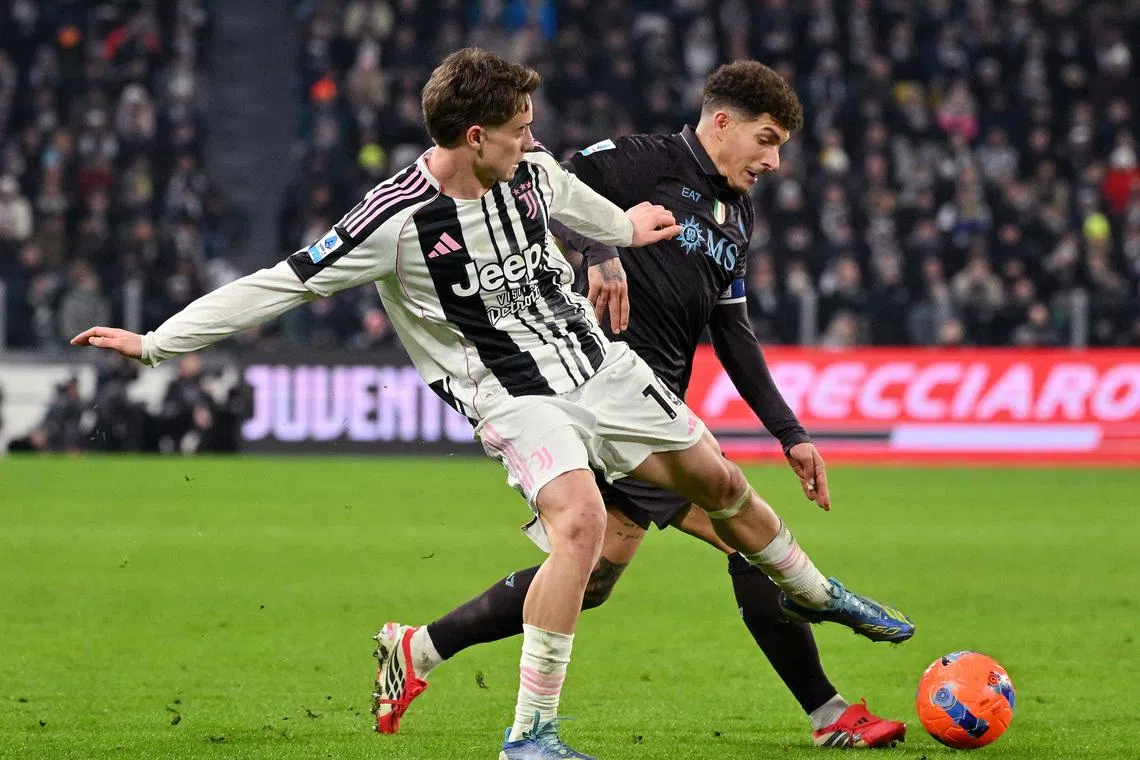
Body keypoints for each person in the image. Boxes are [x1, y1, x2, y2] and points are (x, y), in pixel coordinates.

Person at [73, 49, 912, 760]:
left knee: (720, 487)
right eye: (520, 129)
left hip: (599, 367)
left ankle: (813, 592)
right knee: (581, 529)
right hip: (512, 394)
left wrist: (622, 239)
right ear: (477, 137)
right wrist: (156, 343)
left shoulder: (534, 174)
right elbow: (278, 285)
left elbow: (592, 211)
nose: (534, 140)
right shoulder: (395, 221)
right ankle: (533, 733)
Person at [371, 61, 912, 751]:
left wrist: (790, 432)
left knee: (589, 577)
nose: (774, 161)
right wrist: (602, 251)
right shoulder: (642, 161)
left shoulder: (735, 217)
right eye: (766, 140)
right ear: (722, 123)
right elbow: (549, 180)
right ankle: (829, 712)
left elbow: (733, 332)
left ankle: (415, 651)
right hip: (592, 394)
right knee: (740, 540)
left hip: (647, 408)